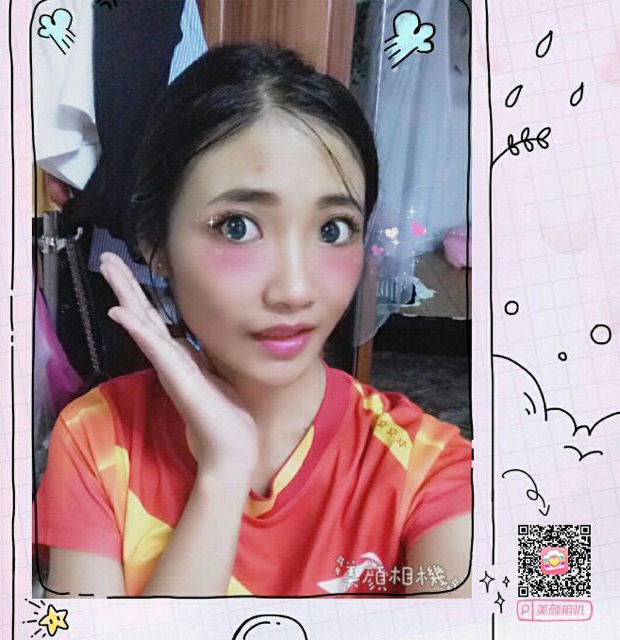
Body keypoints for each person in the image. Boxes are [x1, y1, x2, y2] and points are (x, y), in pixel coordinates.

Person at [34, 43, 471, 597]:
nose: (294, 290)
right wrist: (223, 472)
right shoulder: (97, 440)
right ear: (156, 244)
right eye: (237, 227)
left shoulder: (429, 467)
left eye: (333, 229)